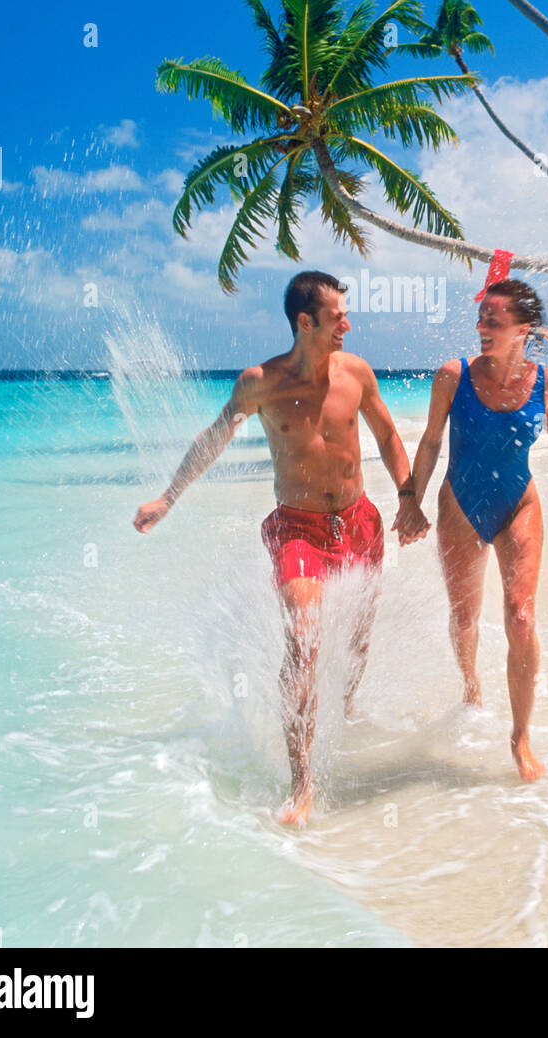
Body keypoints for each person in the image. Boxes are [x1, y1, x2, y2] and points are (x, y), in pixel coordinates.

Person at [132, 270, 430, 827]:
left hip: (358, 523)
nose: (348, 322)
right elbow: (214, 437)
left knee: (359, 642)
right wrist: (168, 499)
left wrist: (408, 498)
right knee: (304, 638)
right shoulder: (259, 383)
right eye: (338, 314)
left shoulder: (357, 372)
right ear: (305, 322)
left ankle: (345, 710)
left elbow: (389, 435)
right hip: (298, 531)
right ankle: (302, 784)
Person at [394, 278, 548, 782]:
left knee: (521, 617)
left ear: (523, 330)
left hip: (518, 503)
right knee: (465, 617)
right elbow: (433, 442)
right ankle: (471, 686)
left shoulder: (546, 379)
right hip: (460, 503)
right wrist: (411, 500)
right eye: (481, 319)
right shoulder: (452, 376)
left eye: (493, 322)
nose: (481, 328)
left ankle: (521, 737)